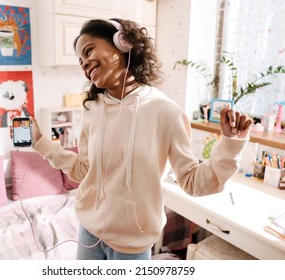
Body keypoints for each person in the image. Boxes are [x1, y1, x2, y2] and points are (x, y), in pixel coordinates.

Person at [29, 18, 253, 260]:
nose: (84, 64)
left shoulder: (166, 112)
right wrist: (41, 141)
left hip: (132, 245)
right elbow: (84, 171)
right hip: (89, 233)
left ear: (123, 43)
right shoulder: (92, 109)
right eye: (80, 61)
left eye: (88, 51)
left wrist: (230, 146)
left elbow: (193, 182)